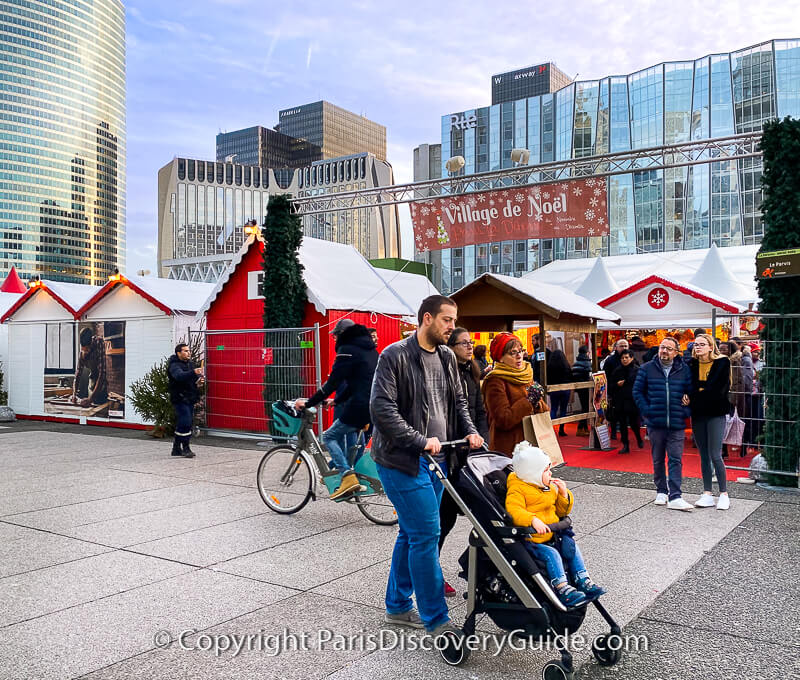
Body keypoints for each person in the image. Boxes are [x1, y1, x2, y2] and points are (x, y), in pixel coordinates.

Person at [370, 295, 483, 636]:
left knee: (412, 533)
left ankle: (398, 606)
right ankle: (436, 619)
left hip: (440, 460)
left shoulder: (447, 356)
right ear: (427, 318)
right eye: (447, 320)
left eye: (454, 320)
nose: (452, 327)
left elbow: (458, 400)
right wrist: (419, 440)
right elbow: (381, 408)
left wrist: (472, 431)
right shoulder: (395, 355)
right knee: (425, 535)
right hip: (403, 461)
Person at [506, 442, 606, 608]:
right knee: (552, 554)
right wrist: (532, 520)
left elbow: (561, 512)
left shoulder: (548, 487)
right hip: (532, 540)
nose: (550, 473)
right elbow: (514, 510)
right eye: (545, 471)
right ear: (533, 474)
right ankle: (562, 588)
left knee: (571, 547)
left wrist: (563, 494)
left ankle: (583, 579)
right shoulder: (518, 489)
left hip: (552, 534)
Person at [295, 318, 378, 500]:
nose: (334, 340)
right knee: (356, 443)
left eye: (335, 336)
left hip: (359, 406)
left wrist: (308, 403)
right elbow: (354, 383)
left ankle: (347, 476)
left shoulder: (347, 350)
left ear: (342, 335)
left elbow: (333, 383)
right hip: (374, 405)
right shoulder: (370, 350)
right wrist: (337, 401)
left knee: (330, 436)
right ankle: (349, 476)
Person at [438, 327, 489, 597]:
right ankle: (431, 573)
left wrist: (481, 439)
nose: (470, 347)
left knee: (482, 515)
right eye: (464, 343)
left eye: (471, 343)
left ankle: (481, 569)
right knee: (443, 519)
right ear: (450, 346)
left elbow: (479, 411)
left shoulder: (472, 372)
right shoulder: (445, 374)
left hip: (470, 453)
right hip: (449, 454)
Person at [632, 336, 693, 511]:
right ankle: (661, 490)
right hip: (655, 421)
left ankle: (675, 495)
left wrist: (685, 410)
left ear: (676, 352)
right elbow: (637, 392)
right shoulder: (646, 368)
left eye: (668, 348)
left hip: (676, 422)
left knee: (675, 458)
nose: (664, 351)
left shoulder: (684, 370)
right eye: (662, 347)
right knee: (658, 458)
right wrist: (647, 411)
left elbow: (691, 392)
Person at [482, 332, 547, 456]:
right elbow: (503, 419)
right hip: (510, 449)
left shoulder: (526, 375)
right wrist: (528, 402)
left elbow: (544, 411)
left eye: (521, 351)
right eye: (513, 352)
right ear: (500, 357)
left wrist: (537, 403)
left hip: (531, 446)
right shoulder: (495, 381)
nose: (519, 356)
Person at [688, 334, 731, 510]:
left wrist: (696, 394)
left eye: (702, 344)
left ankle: (724, 493)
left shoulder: (722, 362)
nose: (698, 347)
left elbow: (718, 389)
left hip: (716, 412)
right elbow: (690, 386)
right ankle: (707, 492)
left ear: (710, 346)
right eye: (696, 344)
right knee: (703, 454)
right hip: (698, 413)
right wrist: (698, 391)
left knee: (715, 453)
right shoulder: (691, 364)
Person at [167, 343, 204, 458]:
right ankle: (186, 448)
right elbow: (179, 376)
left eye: (189, 351)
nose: (189, 353)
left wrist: (198, 382)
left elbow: (191, 379)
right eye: (185, 351)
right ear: (179, 353)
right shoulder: (174, 365)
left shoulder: (190, 364)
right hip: (180, 397)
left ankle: (176, 448)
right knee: (186, 422)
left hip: (189, 397)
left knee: (183, 423)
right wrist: (194, 372)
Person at [609, 349, 644, 453]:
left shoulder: (637, 370)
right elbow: (611, 386)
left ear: (631, 358)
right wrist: (616, 385)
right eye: (622, 358)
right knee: (622, 424)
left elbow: (642, 385)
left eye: (626, 357)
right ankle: (625, 445)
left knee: (634, 423)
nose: (624, 360)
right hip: (620, 401)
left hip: (633, 401)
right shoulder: (617, 371)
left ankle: (638, 438)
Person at [72, 326, 108, 407]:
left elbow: (102, 373)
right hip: (92, 379)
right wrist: (74, 394)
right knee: (90, 407)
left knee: (100, 407)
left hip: (101, 382)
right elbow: (77, 374)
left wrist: (90, 399)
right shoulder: (82, 352)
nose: (86, 352)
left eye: (87, 349)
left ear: (91, 343)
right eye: (84, 350)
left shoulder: (99, 342)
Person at [601, 338, 629, 439]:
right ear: (616, 348)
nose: (624, 348)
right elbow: (605, 375)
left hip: (627, 391)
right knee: (614, 412)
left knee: (625, 412)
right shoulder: (610, 360)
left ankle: (623, 431)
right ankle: (613, 431)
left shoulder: (630, 358)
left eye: (626, 346)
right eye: (621, 346)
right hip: (614, 390)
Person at [547, 349, 573, 437]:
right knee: (563, 409)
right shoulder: (566, 365)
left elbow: (548, 378)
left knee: (553, 408)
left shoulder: (549, 366)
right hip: (565, 389)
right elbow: (570, 376)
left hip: (554, 389)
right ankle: (561, 429)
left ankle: (551, 429)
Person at [571, 345, 593, 436]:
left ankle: (583, 428)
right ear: (587, 353)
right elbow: (590, 375)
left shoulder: (576, 363)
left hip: (579, 388)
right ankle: (581, 428)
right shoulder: (587, 363)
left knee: (584, 407)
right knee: (586, 408)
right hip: (587, 388)